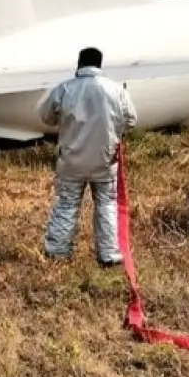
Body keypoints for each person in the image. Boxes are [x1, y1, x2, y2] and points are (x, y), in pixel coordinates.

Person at [37, 47, 137, 268]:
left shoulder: (64, 89)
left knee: (67, 204)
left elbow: (45, 116)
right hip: (105, 160)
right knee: (106, 205)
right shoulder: (116, 90)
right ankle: (108, 253)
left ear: (79, 63)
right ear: (100, 64)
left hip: (71, 160)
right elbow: (131, 119)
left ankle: (57, 251)